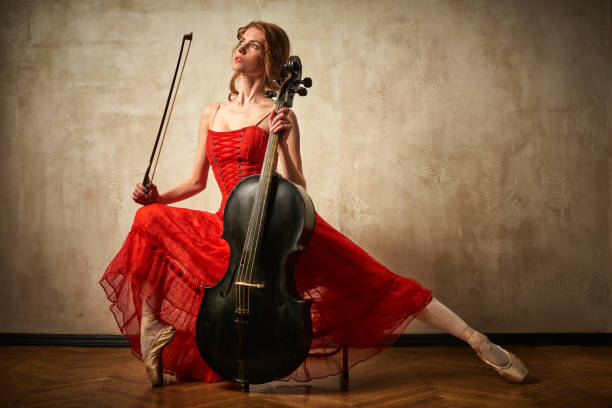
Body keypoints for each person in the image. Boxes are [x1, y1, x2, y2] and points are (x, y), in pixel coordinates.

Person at [100, 21, 529, 387]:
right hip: (231, 228)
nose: (240, 49)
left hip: (279, 225)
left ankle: (475, 339)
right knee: (149, 217)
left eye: (252, 44)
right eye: (240, 41)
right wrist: (158, 196)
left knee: (379, 282)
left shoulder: (279, 112)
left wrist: (282, 143)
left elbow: (298, 184)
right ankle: (155, 326)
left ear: (269, 59)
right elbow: (196, 181)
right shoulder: (212, 112)